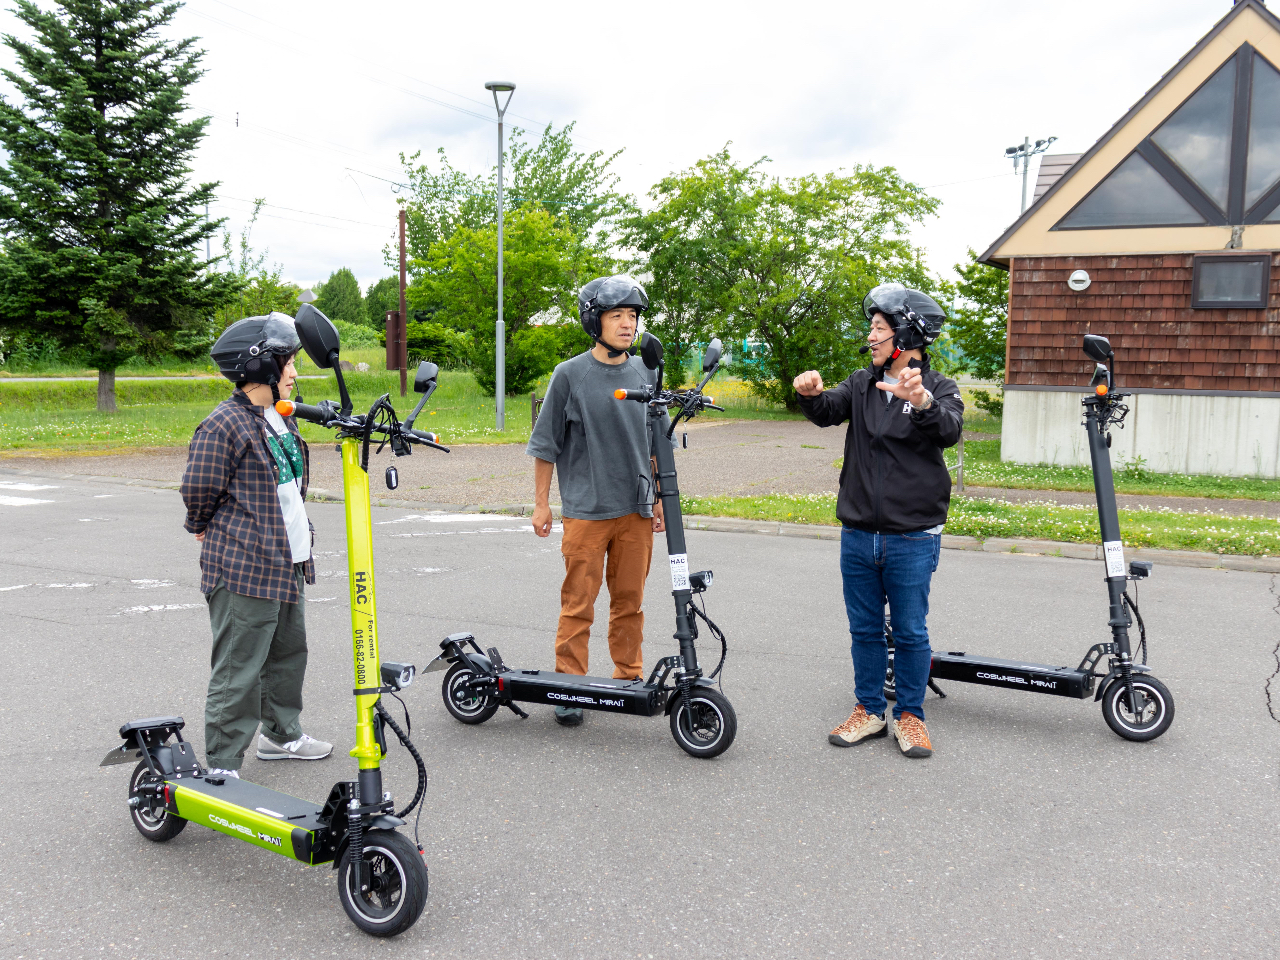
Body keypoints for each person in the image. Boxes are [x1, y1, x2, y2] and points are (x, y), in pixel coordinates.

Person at [793, 284, 962, 758]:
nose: (870, 336)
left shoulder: (940, 388)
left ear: (905, 334)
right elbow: (828, 411)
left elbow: (949, 429)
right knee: (865, 630)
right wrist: (811, 394)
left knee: (910, 632)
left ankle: (910, 717)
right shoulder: (862, 383)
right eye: (871, 327)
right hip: (859, 532)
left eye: (879, 328)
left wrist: (921, 402)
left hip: (913, 536)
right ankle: (869, 710)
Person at [181, 313, 332, 778]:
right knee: (239, 668)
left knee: (287, 655)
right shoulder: (223, 424)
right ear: (260, 365)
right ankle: (223, 764)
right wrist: (200, 523)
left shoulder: (279, 417)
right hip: (244, 566)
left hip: (287, 560)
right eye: (288, 362)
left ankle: (281, 736)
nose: (294, 372)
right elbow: (198, 487)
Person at [527, 275, 667, 727]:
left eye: (633, 316)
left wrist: (660, 497)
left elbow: (656, 442)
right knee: (578, 604)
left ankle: (628, 676)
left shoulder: (647, 372)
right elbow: (546, 444)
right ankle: (570, 686)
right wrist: (542, 504)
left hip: (636, 510)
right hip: (587, 512)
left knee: (630, 602)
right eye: (617, 316)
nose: (627, 325)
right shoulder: (570, 375)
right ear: (595, 321)